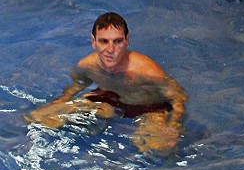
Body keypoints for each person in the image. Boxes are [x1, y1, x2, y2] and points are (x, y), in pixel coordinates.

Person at [24, 11, 186, 154]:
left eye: (117, 41)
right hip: (109, 103)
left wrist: (174, 125)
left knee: (160, 149)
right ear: (93, 41)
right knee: (38, 117)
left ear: (126, 41)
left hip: (149, 110)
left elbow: (179, 98)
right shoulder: (87, 66)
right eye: (104, 41)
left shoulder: (148, 72)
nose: (110, 49)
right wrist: (59, 102)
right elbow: (77, 85)